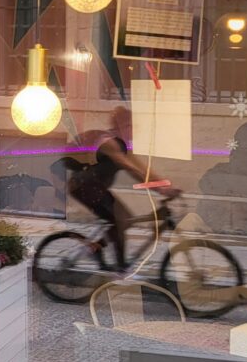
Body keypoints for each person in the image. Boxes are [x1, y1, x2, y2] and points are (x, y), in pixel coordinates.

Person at [67, 107, 180, 270]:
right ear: (122, 126)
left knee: (124, 220)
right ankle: (121, 269)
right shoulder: (109, 143)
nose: (134, 131)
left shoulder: (124, 146)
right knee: (120, 220)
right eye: (131, 126)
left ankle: (95, 248)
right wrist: (161, 190)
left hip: (96, 188)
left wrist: (166, 185)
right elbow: (131, 169)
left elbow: (143, 169)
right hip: (83, 187)